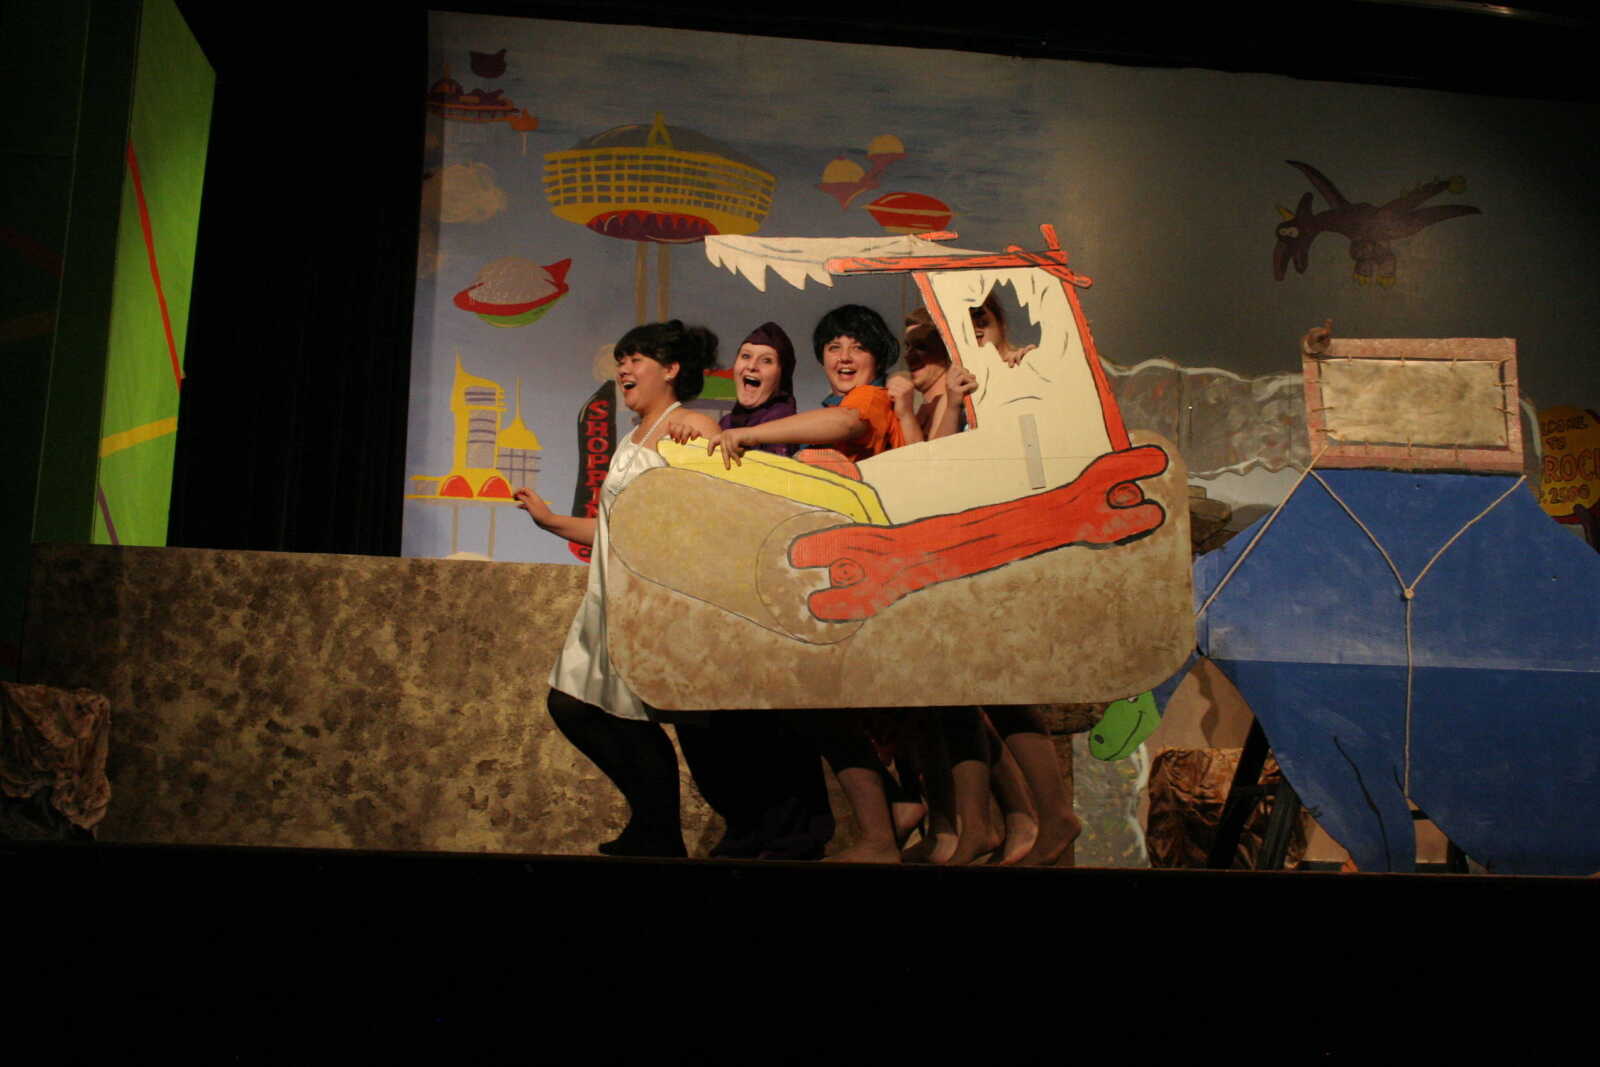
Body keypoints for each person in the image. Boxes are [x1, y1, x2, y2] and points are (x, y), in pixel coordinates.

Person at [514, 320, 721, 858]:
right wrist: (550, 521)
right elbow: (610, 528)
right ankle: (655, 826)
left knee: (616, 711)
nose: (624, 368)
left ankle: (659, 830)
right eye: (622, 359)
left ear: (670, 369)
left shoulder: (689, 424)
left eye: (637, 359)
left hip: (652, 598)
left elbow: (707, 512)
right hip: (612, 596)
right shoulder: (631, 438)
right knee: (575, 705)